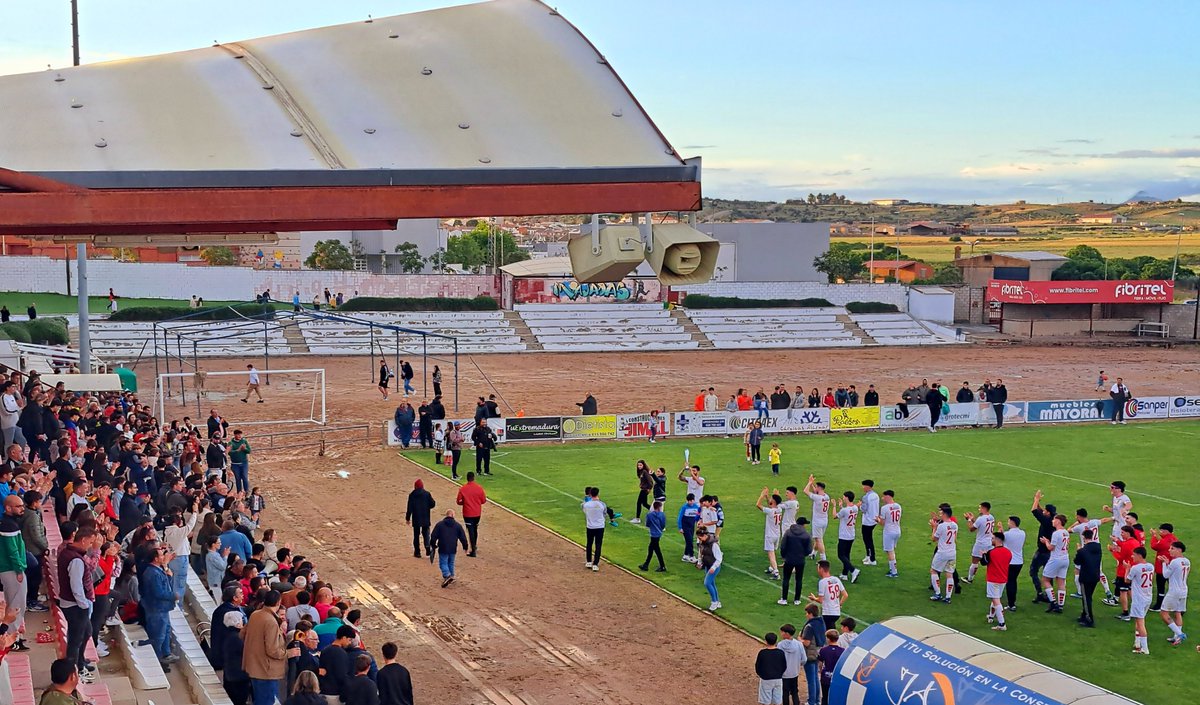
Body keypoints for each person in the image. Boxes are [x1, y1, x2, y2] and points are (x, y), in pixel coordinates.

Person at [245, 589, 290, 705]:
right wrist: (288, 653)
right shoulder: (271, 621)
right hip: (266, 671)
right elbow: (273, 650)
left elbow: (242, 634)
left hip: (254, 666)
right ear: (278, 602)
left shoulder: (255, 615)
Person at [141, 540, 178, 669]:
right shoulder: (152, 573)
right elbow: (158, 592)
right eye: (161, 555)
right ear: (156, 559)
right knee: (158, 636)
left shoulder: (158, 570)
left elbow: (166, 584)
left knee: (166, 631)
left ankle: (166, 654)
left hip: (163, 608)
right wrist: (173, 596)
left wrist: (168, 573)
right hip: (156, 609)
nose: (164, 557)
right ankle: (157, 661)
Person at [0, 494, 30, 652]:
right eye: (18, 506)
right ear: (8, 508)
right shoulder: (8, 525)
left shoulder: (9, 523)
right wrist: (19, 569)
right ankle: (11, 637)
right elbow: (12, 550)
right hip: (11, 570)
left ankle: (13, 636)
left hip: (10, 569)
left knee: (15, 603)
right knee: (16, 604)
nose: (22, 508)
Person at [1039, 513, 1070, 614]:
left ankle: (1053, 602)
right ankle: (1060, 605)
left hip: (1056, 559)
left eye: (1054, 520)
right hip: (1065, 558)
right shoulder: (1066, 532)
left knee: (1045, 580)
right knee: (1061, 582)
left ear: (1058, 521)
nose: (1052, 521)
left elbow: (1051, 548)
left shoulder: (1056, 533)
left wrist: (1046, 542)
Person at [982, 532, 1012, 631]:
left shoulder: (991, 552)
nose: (992, 540)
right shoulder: (1008, 552)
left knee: (996, 601)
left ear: (997, 540)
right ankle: (991, 616)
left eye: (993, 538)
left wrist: (983, 555)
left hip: (993, 579)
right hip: (1003, 579)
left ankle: (1002, 624)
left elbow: (984, 563)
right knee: (995, 598)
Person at [1160, 541, 1189, 646]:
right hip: (1184, 590)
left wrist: (1164, 563)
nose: (1169, 550)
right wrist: (1168, 563)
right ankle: (1177, 638)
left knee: (1164, 613)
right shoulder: (1186, 561)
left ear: (1179, 550)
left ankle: (1180, 634)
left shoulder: (1175, 562)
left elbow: (1165, 575)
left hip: (1174, 591)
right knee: (1178, 612)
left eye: (1172, 548)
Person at [319, 626, 357, 704]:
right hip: (335, 694)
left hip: (323, 692)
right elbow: (342, 676)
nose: (349, 643)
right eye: (349, 640)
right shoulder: (341, 653)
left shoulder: (325, 650)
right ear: (343, 637)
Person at [1073, 528, 1102, 628]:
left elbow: (1077, 561)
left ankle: (1089, 619)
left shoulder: (1083, 550)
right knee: (1088, 597)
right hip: (1095, 575)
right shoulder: (1098, 547)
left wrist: (1078, 551)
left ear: (1084, 538)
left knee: (1086, 598)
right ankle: (1083, 615)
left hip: (1086, 577)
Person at [929, 505, 958, 605]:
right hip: (952, 552)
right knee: (949, 574)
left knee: (933, 570)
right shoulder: (955, 525)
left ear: (945, 514)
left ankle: (938, 593)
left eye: (941, 513)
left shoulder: (941, 526)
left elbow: (934, 539)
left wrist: (934, 527)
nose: (940, 514)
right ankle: (948, 597)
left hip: (942, 552)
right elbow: (955, 538)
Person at [779, 518, 811, 606]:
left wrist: (784, 556)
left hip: (789, 559)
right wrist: (802, 554)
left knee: (786, 578)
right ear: (803, 524)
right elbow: (809, 550)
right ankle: (797, 599)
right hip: (800, 560)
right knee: (799, 579)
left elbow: (783, 546)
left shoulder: (788, 532)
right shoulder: (806, 535)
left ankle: (784, 599)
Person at [1128, 547, 1154, 654]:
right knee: (1139, 621)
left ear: (1139, 555)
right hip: (1148, 596)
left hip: (1139, 599)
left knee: (1140, 622)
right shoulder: (1150, 566)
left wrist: (1127, 569)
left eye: (1134, 555)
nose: (1132, 556)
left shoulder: (1135, 568)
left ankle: (1145, 649)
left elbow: (1127, 580)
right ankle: (1137, 643)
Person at [221, 610, 251, 705]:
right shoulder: (237, 637)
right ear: (237, 623)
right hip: (239, 676)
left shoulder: (227, 635)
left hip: (230, 674)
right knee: (239, 700)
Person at [964, 502, 996, 584]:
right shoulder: (991, 517)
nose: (979, 509)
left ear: (984, 508)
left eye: (980, 508)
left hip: (981, 543)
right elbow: (980, 525)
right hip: (990, 542)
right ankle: (993, 578)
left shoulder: (981, 519)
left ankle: (970, 579)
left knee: (975, 561)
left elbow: (971, 529)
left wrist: (969, 519)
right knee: (990, 562)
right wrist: (973, 519)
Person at [455, 473, 486, 557]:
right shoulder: (479, 488)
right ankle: (474, 546)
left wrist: (465, 503)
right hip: (477, 513)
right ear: (473, 478)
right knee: (475, 528)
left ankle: (473, 550)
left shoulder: (463, 489)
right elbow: (483, 500)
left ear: (467, 478)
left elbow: (458, 501)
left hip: (468, 513)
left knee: (470, 530)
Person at [809, 561, 846, 631]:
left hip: (828, 612)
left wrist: (814, 598)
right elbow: (845, 595)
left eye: (818, 568)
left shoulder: (822, 582)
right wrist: (839, 604)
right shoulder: (836, 579)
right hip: (837, 613)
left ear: (821, 569)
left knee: (827, 634)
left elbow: (820, 600)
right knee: (831, 630)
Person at [799, 606, 824, 705]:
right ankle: (817, 701)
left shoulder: (809, 626)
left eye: (807, 613)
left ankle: (811, 702)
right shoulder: (821, 623)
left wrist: (799, 639)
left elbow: (807, 643)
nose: (806, 615)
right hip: (817, 653)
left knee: (811, 680)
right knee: (815, 678)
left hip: (809, 655)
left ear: (810, 614)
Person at [1150, 523, 1179, 611]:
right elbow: (1163, 541)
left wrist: (1154, 536)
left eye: (1161, 530)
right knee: (1173, 587)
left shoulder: (1164, 542)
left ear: (1166, 531)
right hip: (1173, 567)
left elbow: (1154, 546)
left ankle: (1159, 605)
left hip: (1162, 568)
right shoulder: (1174, 539)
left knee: (1161, 588)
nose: (1160, 532)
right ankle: (1177, 606)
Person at [405, 479, 436, 559]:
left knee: (416, 535)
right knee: (426, 534)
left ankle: (417, 552)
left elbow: (409, 508)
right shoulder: (427, 494)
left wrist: (407, 518)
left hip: (416, 518)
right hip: (425, 517)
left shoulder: (412, 495)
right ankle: (428, 547)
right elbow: (432, 504)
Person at [834, 492, 860, 583]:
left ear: (847, 498)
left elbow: (835, 516)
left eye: (844, 497)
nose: (843, 498)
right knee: (846, 555)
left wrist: (834, 506)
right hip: (851, 534)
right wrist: (841, 506)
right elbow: (845, 515)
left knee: (840, 555)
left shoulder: (845, 510)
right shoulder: (855, 508)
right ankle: (844, 574)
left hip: (844, 535)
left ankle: (853, 570)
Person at [755, 632, 787, 705]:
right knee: (777, 701)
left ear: (765, 641)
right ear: (776, 641)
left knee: (765, 701)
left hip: (766, 679)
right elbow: (784, 666)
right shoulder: (781, 652)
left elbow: (758, 666)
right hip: (778, 679)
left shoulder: (762, 653)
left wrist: (761, 675)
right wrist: (780, 674)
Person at [582, 487, 608, 572]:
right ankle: (595, 564)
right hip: (600, 526)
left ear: (590, 494)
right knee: (598, 544)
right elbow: (605, 514)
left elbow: (584, 511)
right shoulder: (602, 504)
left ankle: (589, 561)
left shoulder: (586, 504)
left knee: (589, 543)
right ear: (598, 494)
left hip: (590, 526)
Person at [696, 527, 723, 611]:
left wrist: (714, 568)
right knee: (712, 583)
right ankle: (717, 601)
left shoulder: (714, 544)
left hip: (714, 567)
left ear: (704, 535)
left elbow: (719, 558)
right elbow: (701, 553)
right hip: (708, 565)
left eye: (700, 537)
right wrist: (699, 562)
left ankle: (714, 602)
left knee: (707, 583)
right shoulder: (702, 543)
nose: (699, 539)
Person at [1003, 516, 1026, 611]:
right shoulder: (1022, 533)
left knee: (1009, 582)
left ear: (1012, 522)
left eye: (1008, 522)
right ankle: (1012, 602)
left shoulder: (1007, 534)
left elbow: (1000, 541)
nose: (1007, 523)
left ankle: (1011, 604)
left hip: (1010, 561)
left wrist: (1001, 531)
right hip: (1019, 561)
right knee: (1013, 581)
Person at [803, 477, 830, 561]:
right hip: (824, 520)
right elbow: (816, 492)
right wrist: (813, 484)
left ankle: (823, 559)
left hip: (817, 521)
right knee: (817, 538)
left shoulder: (817, 498)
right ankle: (813, 553)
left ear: (819, 488)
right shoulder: (826, 496)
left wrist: (809, 483)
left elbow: (805, 491)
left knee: (819, 540)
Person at [639, 500, 667, 573]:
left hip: (653, 533)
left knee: (656, 550)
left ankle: (661, 566)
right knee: (651, 548)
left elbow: (647, 524)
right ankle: (646, 565)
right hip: (658, 533)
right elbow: (663, 525)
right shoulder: (662, 515)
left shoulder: (649, 515)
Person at [880, 490, 902, 578]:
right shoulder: (898, 506)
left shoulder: (884, 508)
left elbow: (882, 522)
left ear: (888, 496)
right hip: (897, 530)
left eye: (884, 496)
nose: (882, 498)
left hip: (889, 532)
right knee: (891, 550)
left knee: (890, 552)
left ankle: (894, 571)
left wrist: (877, 520)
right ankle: (892, 568)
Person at [859, 480, 879, 567]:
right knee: (868, 539)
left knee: (868, 540)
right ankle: (868, 556)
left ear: (868, 486)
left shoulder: (865, 497)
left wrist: (860, 505)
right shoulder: (876, 495)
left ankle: (872, 559)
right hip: (874, 519)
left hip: (867, 521)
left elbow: (863, 509)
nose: (863, 487)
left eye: (864, 486)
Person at [677, 494, 701, 563]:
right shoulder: (684, 507)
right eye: (689, 501)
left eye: (692, 500)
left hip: (692, 526)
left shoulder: (696, 507)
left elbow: (698, 516)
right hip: (685, 526)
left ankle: (685, 556)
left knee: (689, 540)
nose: (691, 502)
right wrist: (680, 527)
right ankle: (691, 556)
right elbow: (680, 517)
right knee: (690, 540)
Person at [228, 429, 252, 494]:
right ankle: (239, 493)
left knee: (245, 477)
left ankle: (247, 492)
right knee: (238, 479)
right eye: (238, 434)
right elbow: (229, 452)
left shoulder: (244, 441)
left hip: (244, 463)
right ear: (235, 435)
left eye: (240, 434)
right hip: (235, 464)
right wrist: (237, 450)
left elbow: (249, 451)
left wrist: (245, 449)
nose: (239, 436)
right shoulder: (231, 443)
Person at [631, 460, 653, 524]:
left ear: (643, 465)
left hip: (644, 490)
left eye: (640, 465)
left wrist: (649, 488)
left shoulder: (644, 472)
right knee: (644, 504)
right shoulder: (641, 472)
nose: (639, 466)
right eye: (638, 465)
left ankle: (637, 518)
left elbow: (650, 481)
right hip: (644, 489)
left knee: (639, 503)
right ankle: (655, 511)